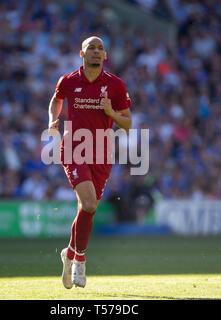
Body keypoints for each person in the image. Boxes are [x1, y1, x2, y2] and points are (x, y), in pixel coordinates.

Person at [48, 36, 132, 288]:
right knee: (89, 202)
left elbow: (127, 124)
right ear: (81, 54)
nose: (96, 52)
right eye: (91, 48)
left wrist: (111, 113)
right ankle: (80, 260)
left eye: (100, 49)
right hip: (74, 147)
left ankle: (69, 254)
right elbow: (56, 98)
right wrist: (53, 120)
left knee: (89, 208)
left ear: (105, 56)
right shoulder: (69, 80)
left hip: (102, 153)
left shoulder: (115, 85)